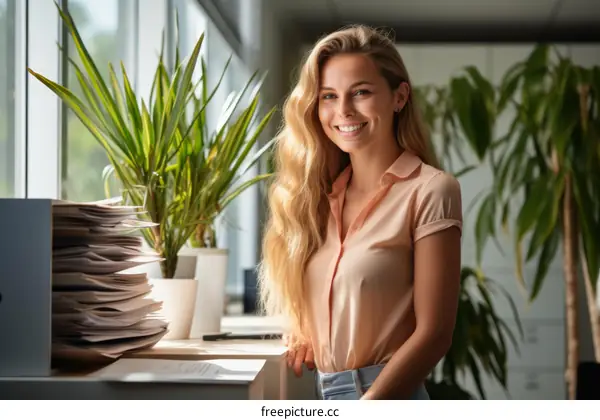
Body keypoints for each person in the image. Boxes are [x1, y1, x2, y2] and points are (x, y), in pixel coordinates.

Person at [257, 24, 463, 400]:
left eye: (361, 92)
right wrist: (306, 329)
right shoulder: (318, 198)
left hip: (386, 397)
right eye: (328, 97)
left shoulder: (431, 190)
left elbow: (435, 335)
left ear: (399, 97)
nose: (343, 111)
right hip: (327, 395)